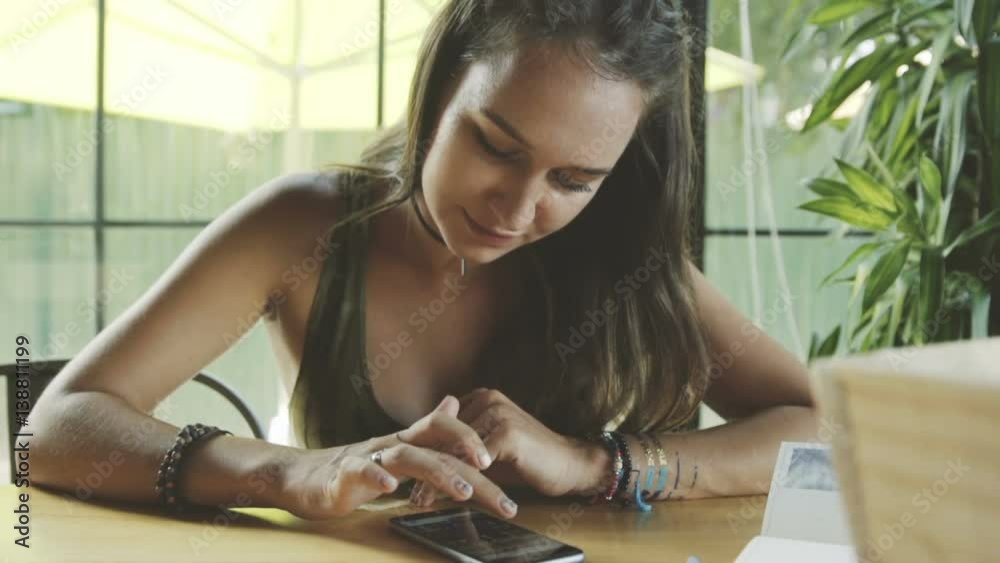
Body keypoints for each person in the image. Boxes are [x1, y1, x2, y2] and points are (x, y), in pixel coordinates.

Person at [31, 0, 819, 521]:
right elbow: (56, 428)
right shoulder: (306, 224)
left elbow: (821, 432)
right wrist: (292, 473)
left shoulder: (621, 253)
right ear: (438, 90)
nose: (514, 211)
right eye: (495, 145)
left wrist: (591, 462)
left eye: (573, 180)